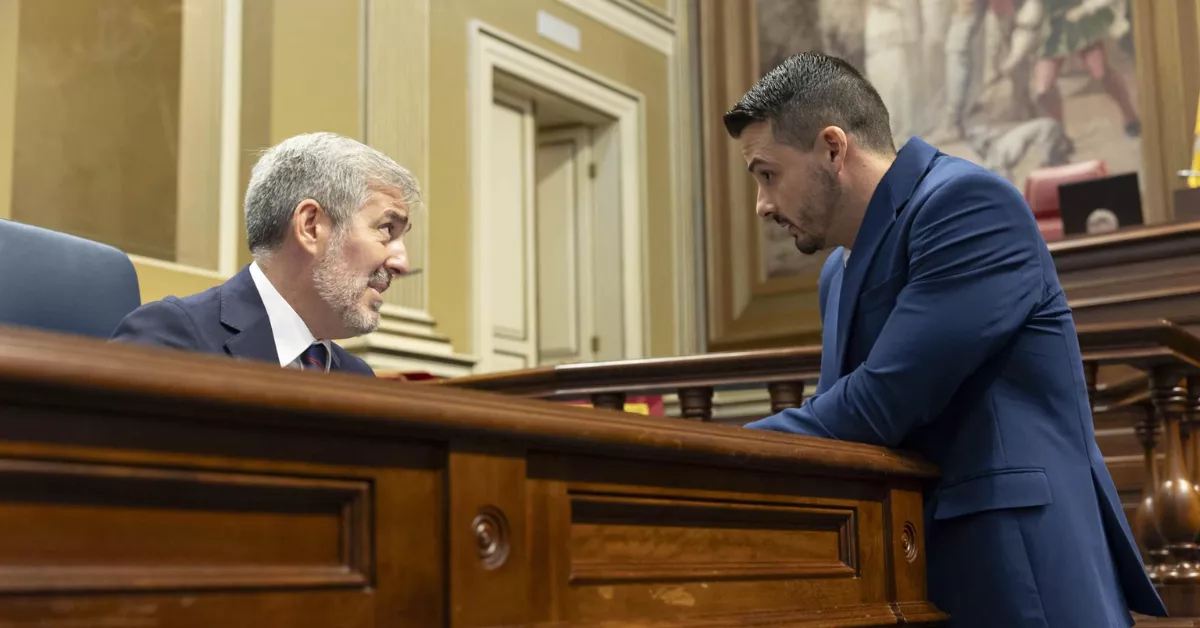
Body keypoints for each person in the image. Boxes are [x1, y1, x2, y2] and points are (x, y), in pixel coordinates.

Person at [723, 52, 1164, 627]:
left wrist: (720, 451)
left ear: (833, 148)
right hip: (914, 566)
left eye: (767, 175)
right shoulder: (836, 271)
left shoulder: (968, 205)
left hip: (1018, 564)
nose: (762, 205)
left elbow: (880, 402)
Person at [111, 132, 419, 376]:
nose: (402, 263)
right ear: (311, 226)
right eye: (386, 229)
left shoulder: (356, 376)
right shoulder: (174, 339)